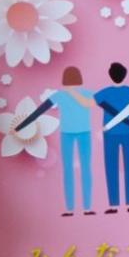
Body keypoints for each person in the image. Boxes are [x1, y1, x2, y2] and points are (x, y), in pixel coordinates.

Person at [17, 65, 99, 215]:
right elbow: (39, 111)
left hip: (75, 134)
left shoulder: (74, 94)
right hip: (74, 134)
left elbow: (38, 112)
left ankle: (78, 208)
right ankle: (80, 208)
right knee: (78, 169)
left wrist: (20, 127)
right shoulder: (65, 95)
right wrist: (20, 127)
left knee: (75, 169)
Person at [94, 62, 129, 213]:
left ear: (110, 75)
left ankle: (113, 205)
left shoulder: (103, 93)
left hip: (110, 134)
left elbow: (88, 102)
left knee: (111, 168)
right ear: (125, 75)